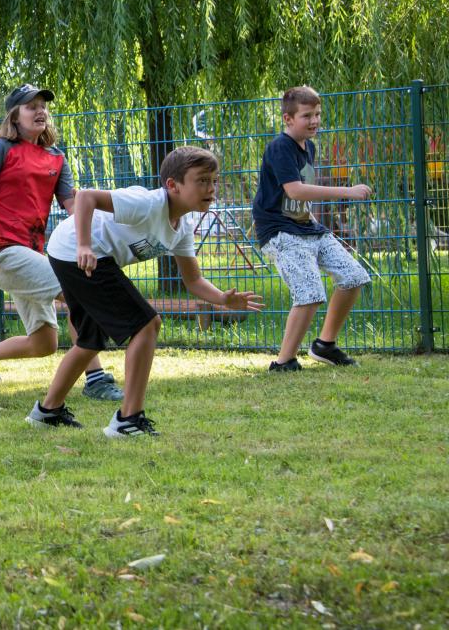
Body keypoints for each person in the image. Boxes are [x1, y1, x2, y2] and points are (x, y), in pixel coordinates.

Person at [28, 146, 265, 438]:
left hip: (74, 253)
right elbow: (86, 196)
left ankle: (47, 411)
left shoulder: (183, 226)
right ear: (172, 185)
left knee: (90, 339)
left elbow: (193, 280)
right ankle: (128, 419)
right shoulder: (148, 203)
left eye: (214, 180)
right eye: (202, 180)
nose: (211, 188)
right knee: (147, 323)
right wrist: (84, 246)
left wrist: (223, 299)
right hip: (76, 251)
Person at [0, 84, 124, 401]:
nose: (40, 111)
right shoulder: (0, 149)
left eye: (42, 106)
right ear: (14, 116)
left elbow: (74, 206)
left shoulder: (56, 158)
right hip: (1, 253)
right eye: (30, 106)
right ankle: (96, 379)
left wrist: (100, 231)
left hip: (32, 254)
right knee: (79, 291)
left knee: (44, 342)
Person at [253, 86, 372, 372]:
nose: (314, 120)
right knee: (310, 293)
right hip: (280, 232)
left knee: (354, 276)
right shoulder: (280, 147)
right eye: (307, 115)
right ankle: (283, 362)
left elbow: (301, 196)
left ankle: (324, 346)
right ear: (288, 119)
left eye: (317, 114)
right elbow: (294, 191)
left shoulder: (310, 146)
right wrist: (347, 192)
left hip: (308, 228)